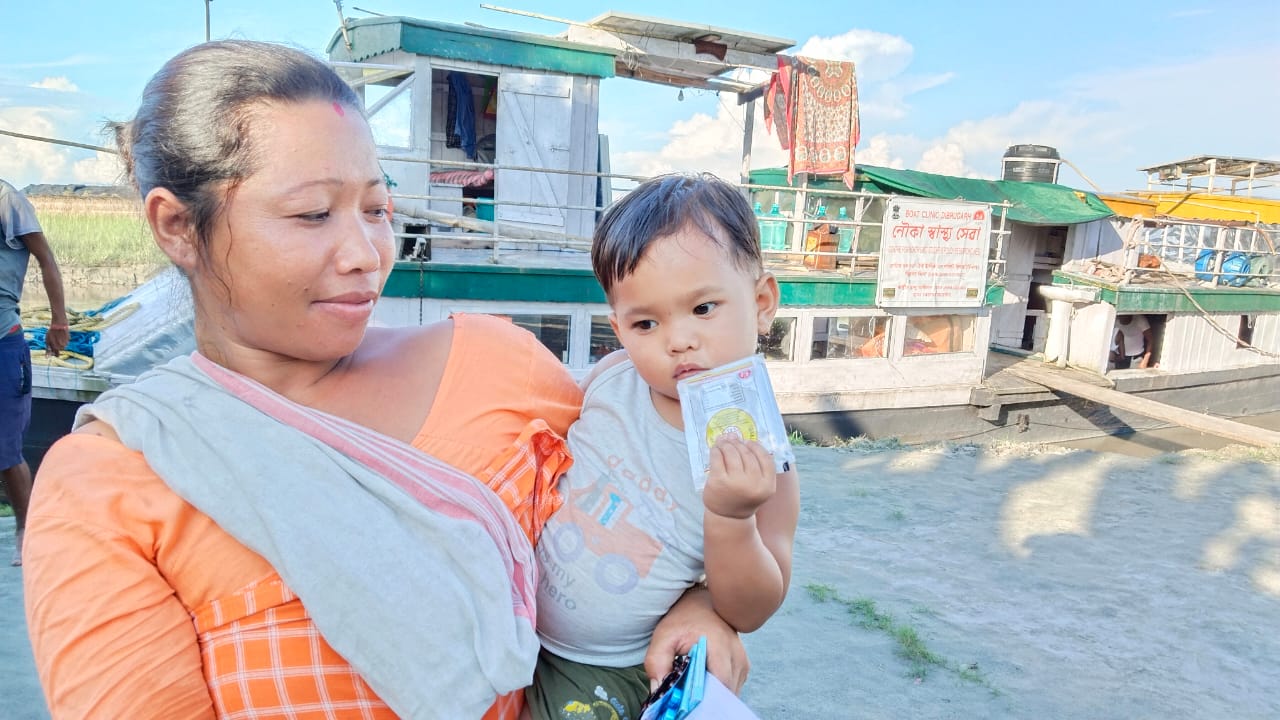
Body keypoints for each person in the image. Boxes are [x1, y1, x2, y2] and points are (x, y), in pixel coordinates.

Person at [22, 41, 745, 719]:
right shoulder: (112, 481)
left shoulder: (496, 363)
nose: (367, 253)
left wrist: (699, 601)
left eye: (377, 208)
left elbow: (660, 494)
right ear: (178, 226)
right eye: (312, 214)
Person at [526, 174, 800, 720]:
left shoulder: (764, 460)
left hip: (615, 666)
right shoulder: (610, 378)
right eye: (645, 322)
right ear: (619, 329)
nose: (677, 340)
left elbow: (752, 607)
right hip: (512, 622)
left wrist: (729, 516)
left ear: (762, 301)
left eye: (703, 309)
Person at [1, 178, 68, 567]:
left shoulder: (6, 199)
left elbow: (46, 258)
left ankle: (26, 531)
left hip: (3, 342)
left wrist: (59, 321)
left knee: (5, 449)